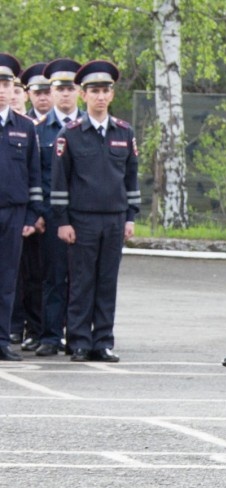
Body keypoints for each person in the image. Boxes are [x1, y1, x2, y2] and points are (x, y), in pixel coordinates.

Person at [50, 59, 140, 363]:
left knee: (106, 282)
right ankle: (78, 341)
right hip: (82, 219)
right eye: (94, 91)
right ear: (83, 95)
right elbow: (60, 181)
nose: (100, 97)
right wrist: (62, 221)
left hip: (114, 219)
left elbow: (131, 178)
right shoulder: (70, 134)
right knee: (81, 282)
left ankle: (102, 341)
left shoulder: (124, 132)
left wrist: (130, 217)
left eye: (105, 91)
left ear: (112, 95)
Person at [35, 58, 81, 357]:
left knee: (82, 279)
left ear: (79, 91)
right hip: (53, 215)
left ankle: (77, 337)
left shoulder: (87, 127)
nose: (64, 94)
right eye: (59, 89)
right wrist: (39, 211)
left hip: (85, 215)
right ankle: (50, 335)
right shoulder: (38, 130)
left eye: (69, 88)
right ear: (51, 92)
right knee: (53, 278)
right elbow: (36, 174)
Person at [0, 53, 44, 362]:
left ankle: (2, 341)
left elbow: (34, 175)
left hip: (13, 214)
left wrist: (32, 214)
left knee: (7, 280)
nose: (1, 89)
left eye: (6, 83)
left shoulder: (25, 128)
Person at [12, 63, 53, 353]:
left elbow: (39, 175)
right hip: (20, 212)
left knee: (42, 276)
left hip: (45, 215)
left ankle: (39, 329)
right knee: (18, 276)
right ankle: (16, 328)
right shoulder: (21, 125)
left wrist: (40, 213)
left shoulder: (53, 127)